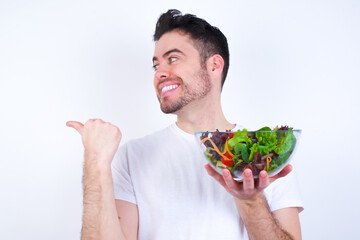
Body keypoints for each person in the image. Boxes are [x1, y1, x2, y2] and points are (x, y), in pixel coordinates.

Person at [66, 9, 303, 240]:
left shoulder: (269, 156)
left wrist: (250, 200)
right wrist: (96, 163)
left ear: (213, 66)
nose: (159, 73)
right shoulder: (131, 156)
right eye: (156, 65)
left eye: (173, 59)